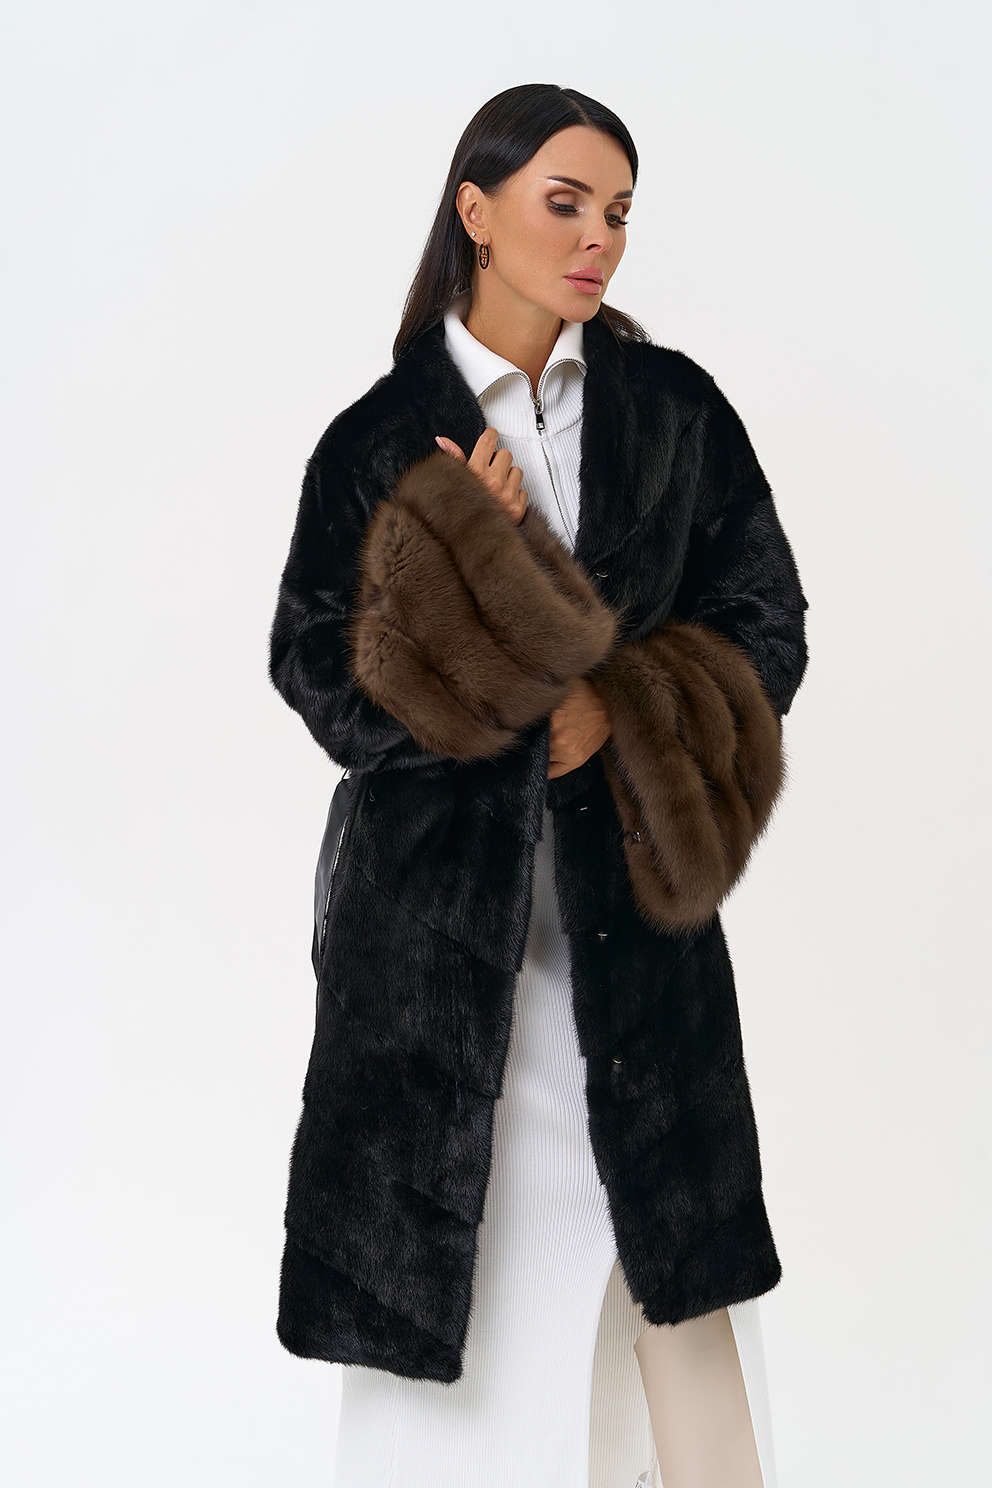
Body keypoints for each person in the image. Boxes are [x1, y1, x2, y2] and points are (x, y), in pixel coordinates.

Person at [269, 83, 808, 1488]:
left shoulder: (674, 414)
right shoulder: (380, 441)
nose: (596, 240)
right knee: (461, 1367)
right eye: (564, 204)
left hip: (638, 955)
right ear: (476, 210)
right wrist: (472, 582)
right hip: (437, 976)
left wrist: (616, 717)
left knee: (678, 1352)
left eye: (617, 213)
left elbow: (767, 630)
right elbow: (320, 675)